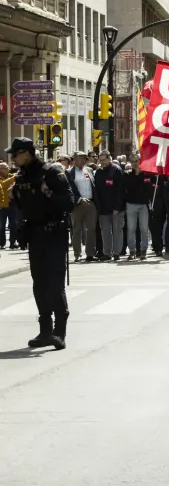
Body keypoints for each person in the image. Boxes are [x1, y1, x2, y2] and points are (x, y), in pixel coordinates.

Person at [6, 137, 74, 350]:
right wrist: (14, 195)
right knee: (39, 284)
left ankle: (59, 333)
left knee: (55, 283)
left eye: (15, 154)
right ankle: (45, 330)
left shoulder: (51, 172)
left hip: (54, 234)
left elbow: (69, 202)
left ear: (26, 153)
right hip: (35, 235)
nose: (13, 159)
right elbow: (25, 205)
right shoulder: (22, 175)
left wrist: (48, 192)